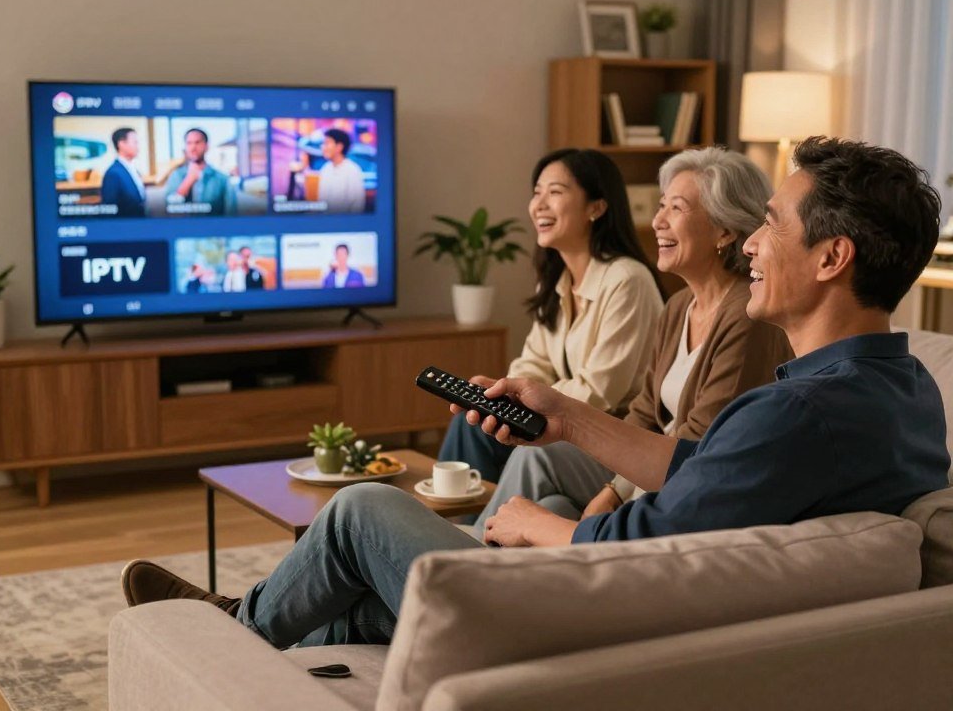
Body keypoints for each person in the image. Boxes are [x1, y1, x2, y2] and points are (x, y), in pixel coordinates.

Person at [123, 137, 950, 651]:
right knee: (370, 578)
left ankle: (226, 635)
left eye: (770, 221)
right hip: (642, 606)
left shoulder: (800, 410)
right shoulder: (900, 386)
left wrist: (540, 527)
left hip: (584, 615)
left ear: (833, 258)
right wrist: (567, 417)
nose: (754, 243)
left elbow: (645, 550)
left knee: (358, 512)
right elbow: (703, 469)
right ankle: (258, 619)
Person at [472, 148, 793, 534]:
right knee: (553, 505)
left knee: (536, 464)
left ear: (724, 230)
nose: (657, 221)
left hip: (682, 481)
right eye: (660, 206)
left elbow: (697, 447)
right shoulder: (679, 306)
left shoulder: (745, 314)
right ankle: (478, 556)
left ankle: (467, 556)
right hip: (642, 468)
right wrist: (611, 492)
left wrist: (614, 495)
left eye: (675, 208)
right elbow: (643, 412)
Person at [437, 148, 665, 484]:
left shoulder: (627, 280)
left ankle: (465, 532)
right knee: (470, 421)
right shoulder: (557, 280)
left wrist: (527, 400)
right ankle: (459, 527)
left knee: (486, 428)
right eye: (536, 193)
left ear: (596, 208)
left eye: (555, 192)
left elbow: (599, 392)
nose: (538, 204)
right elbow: (533, 363)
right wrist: (509, 395)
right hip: (561, 422)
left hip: (610, 436)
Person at [164, 128, 238, 216]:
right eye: (189, 143)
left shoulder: (222, 179)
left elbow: (231, 214)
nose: (193, 147)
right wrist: (188, 181)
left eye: (197, 142)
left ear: (206, 146)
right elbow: (170, 208)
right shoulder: (176, 176)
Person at [317, 128, 366, 213]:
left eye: (326, 143)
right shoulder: (325, 169)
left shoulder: (352, 170)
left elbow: (358, 205)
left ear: (339, 147)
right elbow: (321, 201)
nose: (322, 147)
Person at [100, 127, 146, 217]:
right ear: (122, 144)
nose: (138, 146)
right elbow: (110, 210)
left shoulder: (134, 170)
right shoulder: (113, 174)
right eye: (135, 142)